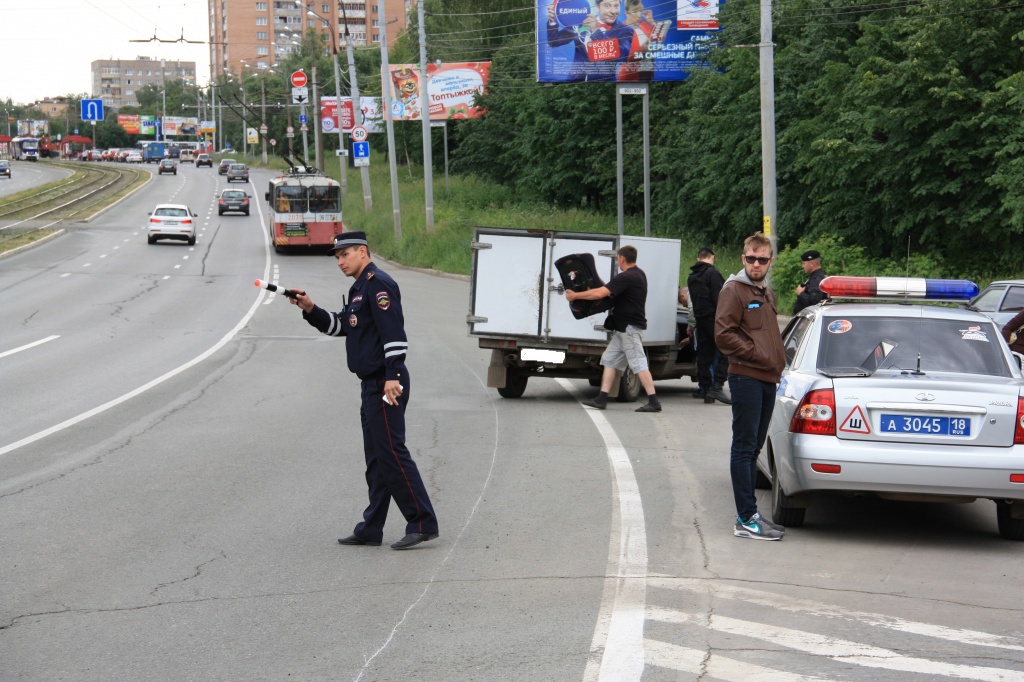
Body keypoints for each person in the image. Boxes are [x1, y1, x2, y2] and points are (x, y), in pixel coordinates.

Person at [288, 232, 440, 551]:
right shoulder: (359, 289)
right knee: (377, 459)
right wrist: (310, 307)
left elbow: (393, 332)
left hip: (386, 382)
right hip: (370, 384)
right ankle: (371, 528)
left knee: (392, 453)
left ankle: (423, 522)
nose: (340, 261)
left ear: (362, 251)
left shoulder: (378, 283)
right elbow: (340, 325)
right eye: (337, 257)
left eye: (345, 255)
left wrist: (393, 374)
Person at [715, 232, 787, 541]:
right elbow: (723, 334)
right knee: (744, 448)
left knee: (753, 448)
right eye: (750, 258)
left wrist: (777, 360)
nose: (756, 264)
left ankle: (752, 515)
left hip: (767, 379)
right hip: (746, 376)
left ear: (771, 261)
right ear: (743, 259)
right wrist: (758, 355)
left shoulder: (766, 293)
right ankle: (746, 518)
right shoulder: (734, 290)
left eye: (762, 259)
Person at [565, 245, 661, 412]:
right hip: (623, 329)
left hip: (629, 329)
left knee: (638, 363)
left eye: (617, 259)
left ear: (622, 259)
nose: (617, 262)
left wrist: (575, 296)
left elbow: (599, 294)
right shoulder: (640, 274)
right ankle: (602, 398)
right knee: (609, 360)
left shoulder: (626, 277)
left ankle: (654, 401)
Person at [546, 0, 635, 82]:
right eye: (607, 6)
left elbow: (622, 55)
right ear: (597, 7)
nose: (613, 11)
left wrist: (596, 32)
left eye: (616, 6)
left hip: (603, 86)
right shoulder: (581, 22)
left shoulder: (625, 30)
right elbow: (554, 42)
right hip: (574, 84)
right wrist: (553, 21)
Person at [687, 247, 730, 405]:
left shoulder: (692, 277)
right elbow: (721, 299)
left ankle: (706, 389)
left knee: (705, 356)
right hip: (715, 320)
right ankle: (717, 386)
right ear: (713, 257)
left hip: (700, 321)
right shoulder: (713, 274)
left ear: (698, 259)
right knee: (727, 351)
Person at [793, 249, 827, 314]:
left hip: (811, 319)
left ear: (812, 263)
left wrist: (801, 293)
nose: (802, 266)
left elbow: (814, 301)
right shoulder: (816, 276)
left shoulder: (817, 279)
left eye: (804, 263)